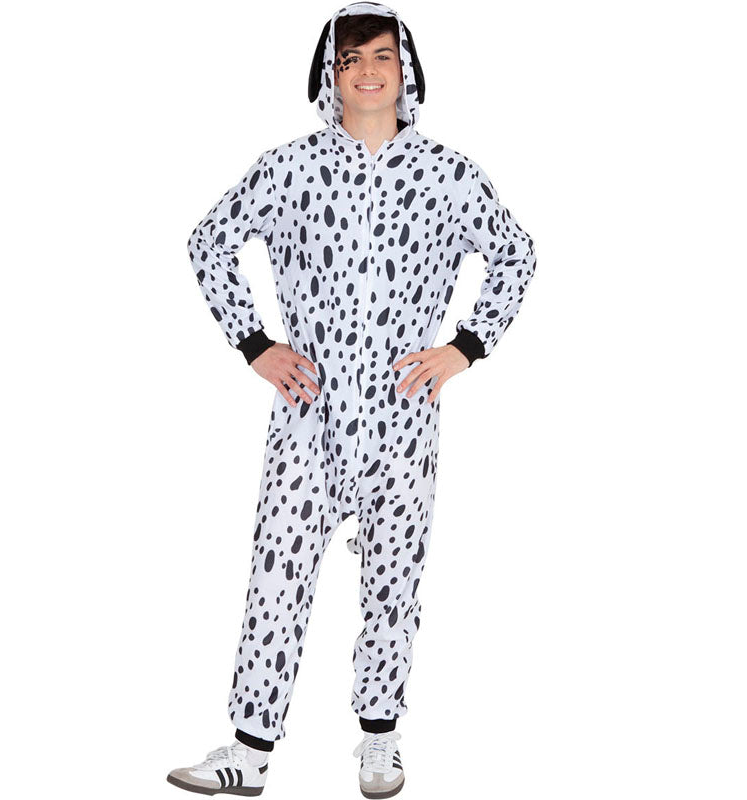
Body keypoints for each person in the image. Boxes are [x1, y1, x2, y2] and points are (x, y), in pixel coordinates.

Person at [167, 2, 537, 796]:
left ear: (406, 69)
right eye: (349, 59)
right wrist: (255, 345)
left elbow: (515, 254)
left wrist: (465, 347)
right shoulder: (289, 168)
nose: (366, 72)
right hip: (310, 415)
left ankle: (380, 742)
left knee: (394, 583)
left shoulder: (449, 174)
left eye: (380, 56)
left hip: (404, 418)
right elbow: (208, 242)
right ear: (328, 74)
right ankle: (249, 754)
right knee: (277, 578)